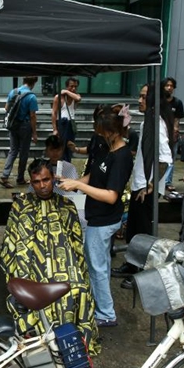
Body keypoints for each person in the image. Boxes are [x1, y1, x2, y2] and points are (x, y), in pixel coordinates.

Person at [0, 158, 99, 354]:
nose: (42, 186)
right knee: (25, 291)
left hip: (66, 267)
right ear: (31, 182)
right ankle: (37, 339)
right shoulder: (20, 206)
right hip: (30, 268)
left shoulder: (66, 205)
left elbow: (76, 244)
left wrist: (77, 271)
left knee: (79, 289)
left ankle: (73, 342)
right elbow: (11, 244)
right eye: (36, 182)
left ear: (53, 178)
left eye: (46, 180)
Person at [58, 105, 133, 327]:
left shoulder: (121, 157)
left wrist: (79, 186)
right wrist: (73, 183)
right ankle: (99, 305)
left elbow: (111, 195)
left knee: (97, 267)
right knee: (100, 265)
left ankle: (106, 313)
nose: (99, 135)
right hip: (97, 216)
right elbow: (94, 176)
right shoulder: (107, 150)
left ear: (113, 131)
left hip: (105, 219)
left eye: (102, 131)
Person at [112, 84, 174, 287]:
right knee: (134, 231)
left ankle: (141, 274)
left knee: (143, 233)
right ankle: (131, 265)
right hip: (140, 184)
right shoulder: (147, 122)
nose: (140, 100)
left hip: (146, 188)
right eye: (139, 96)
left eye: (144, 97)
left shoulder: (156, 123)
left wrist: (150, 185)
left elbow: (165, 158)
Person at [0, 76, 39, 188]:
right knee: (24, 153)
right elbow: (32, 115)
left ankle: (5, 175)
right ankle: (20, 178)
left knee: (13, 150)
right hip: (25, 126)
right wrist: (34, 133)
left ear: (23, 80)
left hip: (13, 125)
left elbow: (6, 108)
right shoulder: (31, 97)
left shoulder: (14, 92)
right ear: (34, 83)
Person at [51, 77, 81, 162]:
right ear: (67, 86)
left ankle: (67, 165)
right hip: (62, 124)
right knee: (61, 147)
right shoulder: (59, 97)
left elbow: (78, 98)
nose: (73, 88)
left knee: (69, 146)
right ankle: (59, 167)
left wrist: (67, 91)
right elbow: (54, 112)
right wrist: (55, 129)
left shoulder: (76, 96)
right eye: (71, 86)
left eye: (75, 86)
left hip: (70, 124)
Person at [162, 77, 184, 193]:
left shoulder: (177, 102)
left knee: (171, 159)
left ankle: (167, 182)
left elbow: (177, 119)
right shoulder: (159, 101)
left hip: (171, 134)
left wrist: (175, 131)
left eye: (171, 86)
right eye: (167, 85)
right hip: (160, 133)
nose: (169, 88)